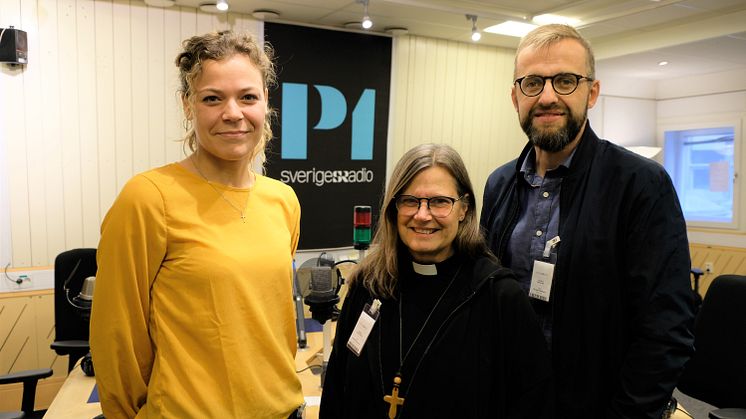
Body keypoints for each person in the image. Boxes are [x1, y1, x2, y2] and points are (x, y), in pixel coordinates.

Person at [480, 24, 696, 418]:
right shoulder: (500, 184)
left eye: (565, 81)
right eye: (532, 83)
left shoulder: (640, 185)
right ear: (515, 97)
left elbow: (665, 328)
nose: (547, 96)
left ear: (591, 92)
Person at [90, 31, 304, 418]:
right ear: (188, 105)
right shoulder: (148, 197)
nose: (233, 113)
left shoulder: (283, 201)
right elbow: (117, 336)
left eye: (248, 96)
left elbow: (272, 323)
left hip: (283, 409)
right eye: (212, 98)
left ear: (266, 102)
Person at [321, 143, 552, 418]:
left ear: (464, 209)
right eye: (410, 201)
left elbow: (531, 402)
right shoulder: (369, 286)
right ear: (394, 208)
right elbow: (336, 388)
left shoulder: (499, 297)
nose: (422, 215)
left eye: (440, 201)